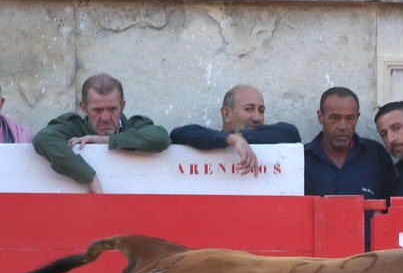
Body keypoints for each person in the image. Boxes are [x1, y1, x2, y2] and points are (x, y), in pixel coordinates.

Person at [32, 73, 169, 193]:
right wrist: (88, 176)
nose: (105, 118)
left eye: (112, 109)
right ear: (84, 108)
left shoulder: (132, 126)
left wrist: (105, 140)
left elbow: (160, 137)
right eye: (97, 110)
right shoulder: (74, 127)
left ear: (122, 106)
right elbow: (44, 139)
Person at [170, 84, 301, 175]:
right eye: (249, 109)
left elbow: (290, 133)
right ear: (227, 114)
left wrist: (242, 137)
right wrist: (230, 139)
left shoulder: (271, 136)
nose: (257, 117)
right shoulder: (211, 138)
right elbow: (178, 134)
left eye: (261, 111)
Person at [303, 87, 394, 200]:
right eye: (335, 118)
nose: (343, 126)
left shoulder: (376, 155)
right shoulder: (301, 159)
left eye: (350, 118)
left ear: (357, 117)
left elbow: (391, 208)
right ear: (320, 117)